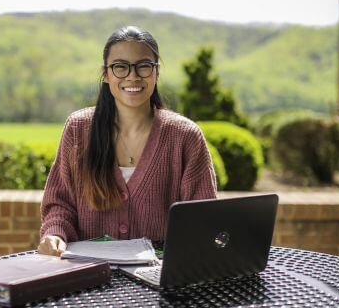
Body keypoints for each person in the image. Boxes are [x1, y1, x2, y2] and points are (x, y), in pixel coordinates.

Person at [38, 26, 217, 256]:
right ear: (106, 73)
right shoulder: (78, 128)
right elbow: (60, 204)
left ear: (156, 72)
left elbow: (203, 217)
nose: (132, 76)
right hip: (89, 276)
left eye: (143, 66)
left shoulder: (184, 136)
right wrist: (55, 233)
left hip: (161, 280)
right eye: (120, 67)